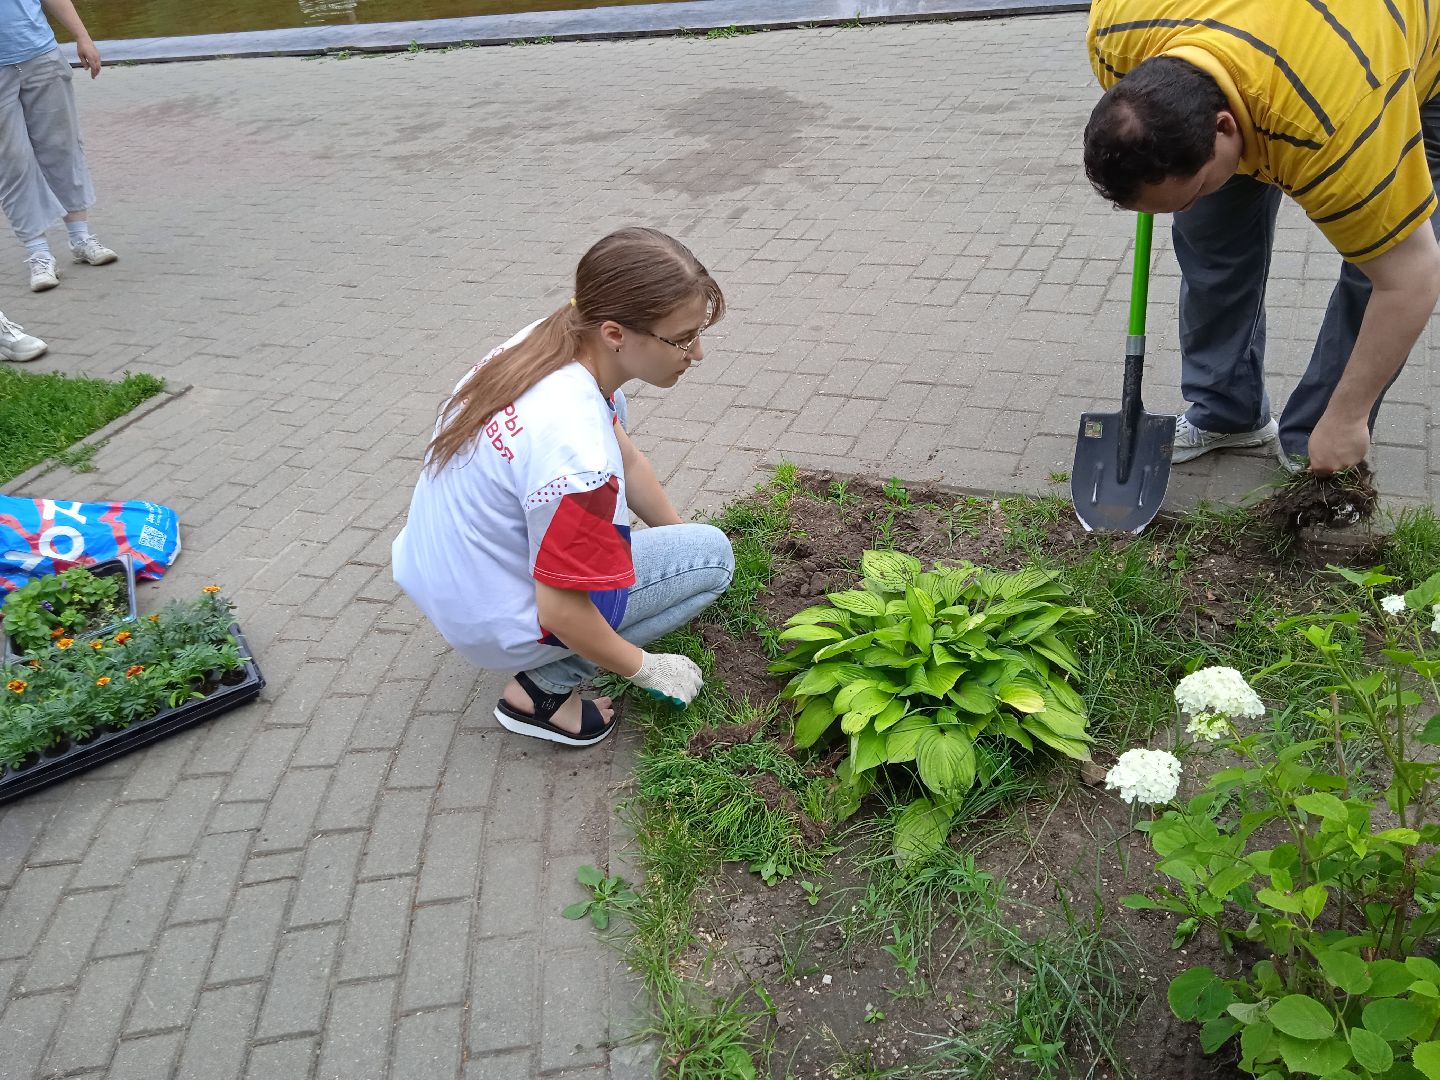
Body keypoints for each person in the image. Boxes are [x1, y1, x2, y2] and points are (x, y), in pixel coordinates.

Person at [392, 227, 736, 748]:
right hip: (499, 619)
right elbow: (561, 610)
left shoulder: (548, 343)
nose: (698, 353)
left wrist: (675, 549)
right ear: (616, 332)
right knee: (714, 561)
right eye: (683, 338)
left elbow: (632, 459)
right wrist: (644, 666)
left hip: (447, 576)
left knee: (691, 550)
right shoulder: (578, 461)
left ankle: (551, 659)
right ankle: (542, 694)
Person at [1082, 0, 1440, 475]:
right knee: (1211, 240)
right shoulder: (1115, 37)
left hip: (1396, 60)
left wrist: (1347, 416)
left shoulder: (1335, 132)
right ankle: (1227, 413)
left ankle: (1321, 435)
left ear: (1224, 126)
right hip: (1264, 53)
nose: (1181, 208)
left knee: (1379, 264)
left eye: (1191, 193)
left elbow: (1411, 277)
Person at [1, 0, 118, 293]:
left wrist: (82, 35)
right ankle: (38, 252)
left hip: (40, 55)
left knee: (62, 147)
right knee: (12, 159)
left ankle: (81, 238)